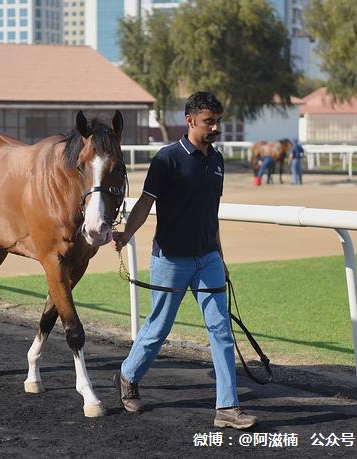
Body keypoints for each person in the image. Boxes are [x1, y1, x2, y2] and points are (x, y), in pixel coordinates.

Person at [111, 91, 257, 430]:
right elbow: (146, 203)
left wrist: (220, 256)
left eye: (218, 120)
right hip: (170, 259)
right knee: (159, 328)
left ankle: (227, 408)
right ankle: (128, 375)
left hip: (208, 259)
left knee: (221, 329)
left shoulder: (217, 160)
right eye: (209, 121)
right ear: (190, 121)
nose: (215, 127)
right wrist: (126, 235)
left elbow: (212, 214)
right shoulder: (167, 159)